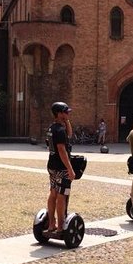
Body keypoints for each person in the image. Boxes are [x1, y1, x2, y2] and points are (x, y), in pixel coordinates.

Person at [45, 101, 76, 236]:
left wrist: (67, 121)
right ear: (59, 113)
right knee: (61, 196)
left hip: (52, 165)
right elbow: (62, 150)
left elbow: (69, 135)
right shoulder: (60, 130)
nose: (68, 114)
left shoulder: (52, 128)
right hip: (61, 167)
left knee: (53, 194)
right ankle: (60, 227)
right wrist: (70, 169)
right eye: (65, 112)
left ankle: (52, 223)